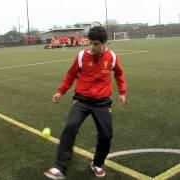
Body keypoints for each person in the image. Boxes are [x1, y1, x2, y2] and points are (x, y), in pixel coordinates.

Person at [44, 26, 127, 179]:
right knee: (70, 127)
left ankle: (97, 164)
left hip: (102, 102)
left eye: (96, 44)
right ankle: (59, 167)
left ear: (104, 43)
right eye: (90, 43)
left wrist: (122, 93)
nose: (92, 47)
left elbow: (119, 74)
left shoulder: (112, 57)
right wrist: (60, 91)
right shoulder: (82, 56)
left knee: (106, 135)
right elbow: (71, 74)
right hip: (82, 100)